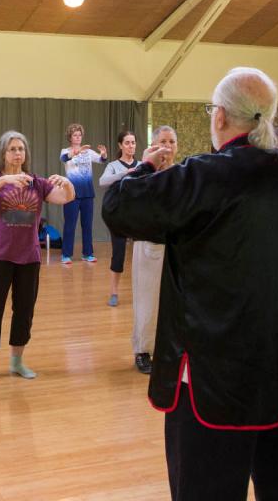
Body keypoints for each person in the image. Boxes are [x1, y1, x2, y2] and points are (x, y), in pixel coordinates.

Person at [103, 68, 278, 501]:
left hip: (217, 373)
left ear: (219, 118)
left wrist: (147, 164)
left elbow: (119, 208)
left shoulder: (204, 175)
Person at [0, 131, 74, 385]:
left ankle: (16, 362)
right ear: (3, 153)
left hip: (28, 257)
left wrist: (67, 183)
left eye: (21, 149)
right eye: (13, 149)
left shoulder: (36, 182)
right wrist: (5, 179)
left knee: (24, 311)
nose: (18, 153)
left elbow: (65, 198)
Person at [127, 126, 177, 375]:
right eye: (162, 141)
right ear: (153, 145)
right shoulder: (143, 174)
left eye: (171, 141)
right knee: (147, 301)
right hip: (149, 245)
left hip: (177, 247)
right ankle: (143, 350)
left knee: (175, 302)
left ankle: (168, 349)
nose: (167, 146)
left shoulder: (183, 175)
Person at [98, 130, 139, 307]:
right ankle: (114, 292)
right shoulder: (114, 165)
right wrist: (125, 173)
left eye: (133, 142)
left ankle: (141, 291)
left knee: (142, 255)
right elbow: (102, 182)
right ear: (120, 145)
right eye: (128, 142)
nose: (131, 146)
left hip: (138, 216)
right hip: (119, 217)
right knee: (118, 254)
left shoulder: (142, 164)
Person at [58, 123, 107, 264]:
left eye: (79, 135)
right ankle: (66, 255)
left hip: (87, 194)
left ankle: (88, 253)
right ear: (70, 137)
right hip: (71, 194)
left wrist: (103, 155)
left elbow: (101, 160)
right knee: (70, 225)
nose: (78, 137)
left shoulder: (88, 152)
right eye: (75, 135)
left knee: (87, 225)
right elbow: (64, 159)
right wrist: (74, 153)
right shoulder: (65, 151)